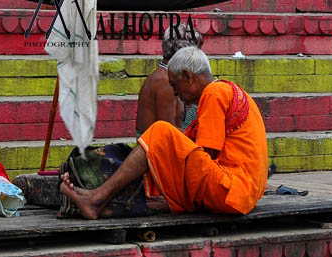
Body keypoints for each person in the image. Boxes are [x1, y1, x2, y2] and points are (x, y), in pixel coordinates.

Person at [60, 46, 268, 218]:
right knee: (162, 141)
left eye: (174, 86)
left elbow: (206, 155)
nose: (175, 94)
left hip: (231, 191)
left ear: (188, 77)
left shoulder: (214, 93)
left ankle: (96, 199)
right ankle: (96, 195)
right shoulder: (231, 90)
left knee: (160, 130)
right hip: (243, 193)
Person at [135, 23, 205, 138]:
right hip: (154, 147)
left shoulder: (165, 74)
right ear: (185, 55)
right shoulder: (165, 82)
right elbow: (167, 132)